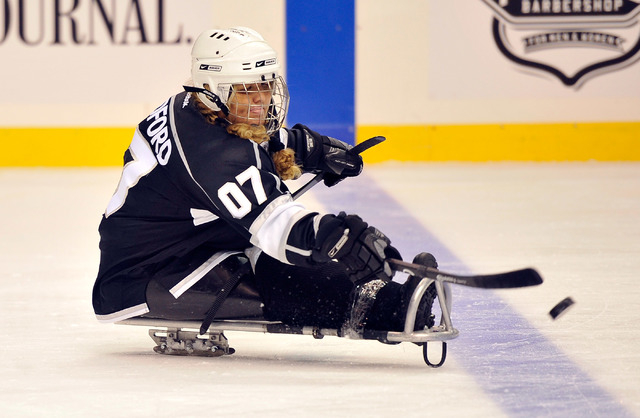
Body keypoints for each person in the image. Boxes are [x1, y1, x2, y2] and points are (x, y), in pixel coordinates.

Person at [92, 27, 437, 341]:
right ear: (213, 90)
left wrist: (313, 149)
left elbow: (258, 137)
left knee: (266, 257)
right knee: (272, 269)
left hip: (179, 241)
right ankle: (391, 308)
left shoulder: (195, 107)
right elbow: (277, 226)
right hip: (143, 277)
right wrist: (335, 237)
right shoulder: (215, 157)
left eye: (265, 85)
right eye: (247, 90)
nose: (261, 99)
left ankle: (381, 298)